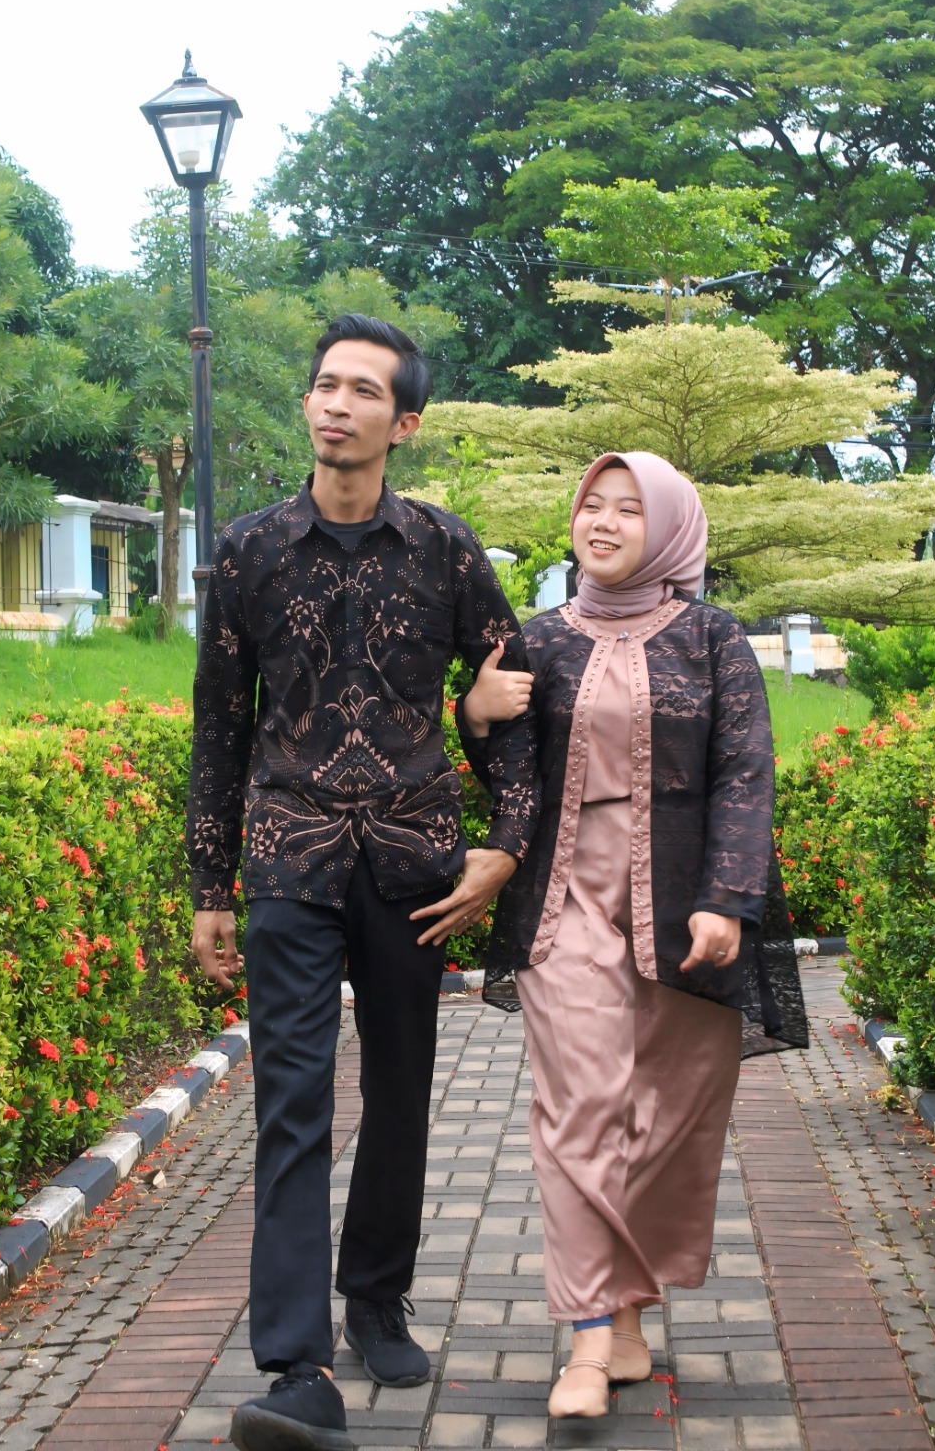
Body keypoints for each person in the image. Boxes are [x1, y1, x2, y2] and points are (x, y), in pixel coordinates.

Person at [187, 314, 540, 1451]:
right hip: (287, 859)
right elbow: (216, 728)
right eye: (324, 385)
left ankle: (376, 1295)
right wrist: (208, 886)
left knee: (398, 1089)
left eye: (363, 391)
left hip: (413, 861)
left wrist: (505, 842)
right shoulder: (249, 549)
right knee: (290, 1103)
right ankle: (296, 1366)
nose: (336, 404)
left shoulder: (444, 549)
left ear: (405, 422)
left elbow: (514, 698)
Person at [458, 451, 808, 1420]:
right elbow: (512, 778)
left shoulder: (712, 638)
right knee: (582, 1105)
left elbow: (746, 771)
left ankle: (625, 1308)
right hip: (564, 892)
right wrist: (475, 717)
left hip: (681, 896)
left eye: (628, 509)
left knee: (672, 1114)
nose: (602, 523)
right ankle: (584, 1339)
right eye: (591, 505)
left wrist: (727, 896)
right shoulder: (536, 640)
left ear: (669, 529)